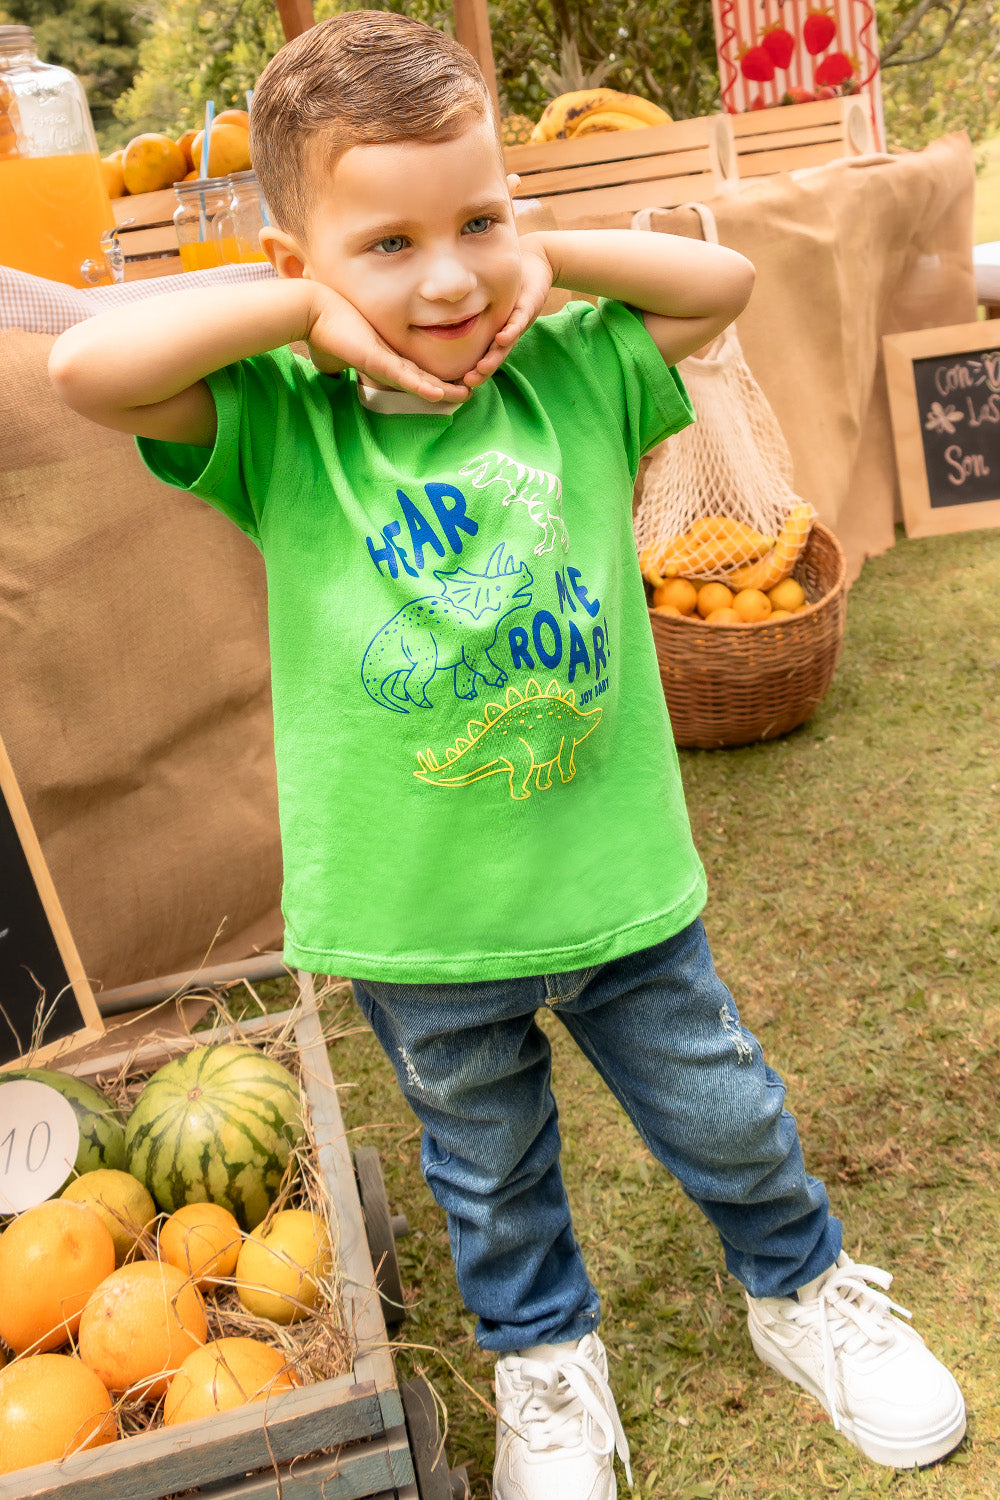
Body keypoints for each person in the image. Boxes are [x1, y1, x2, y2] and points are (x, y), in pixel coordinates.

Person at [48, 12, 966, 1496]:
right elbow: (92, 367)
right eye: (387, 243)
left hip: (616, 883)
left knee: (726, 1112)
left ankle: (801, 1286)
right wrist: (304, 319)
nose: (450, 278)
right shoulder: (283, 424)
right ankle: (545, 1357)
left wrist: (550, 255)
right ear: (299, 265)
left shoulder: (575, 372)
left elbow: (721, 284)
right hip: (420, 922)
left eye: (477, 221)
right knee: (488, 1173)